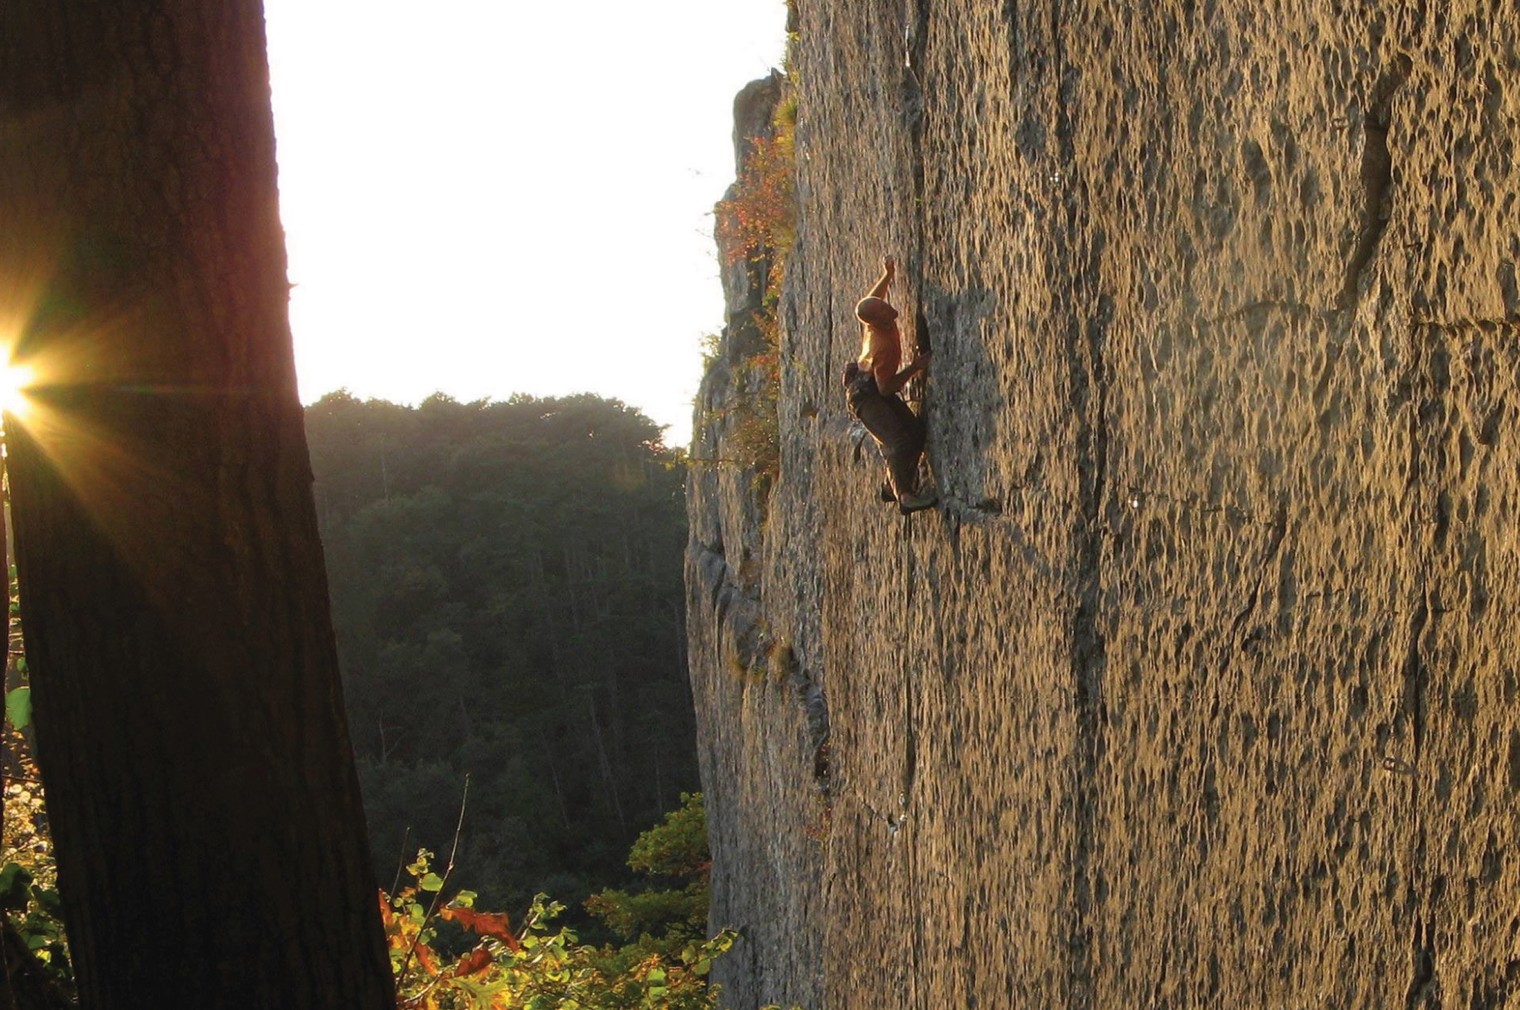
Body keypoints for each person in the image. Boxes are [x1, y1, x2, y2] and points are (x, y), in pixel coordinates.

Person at [844, 256, 936, 514]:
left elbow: (871, 301)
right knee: (898, 441)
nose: (889, 310)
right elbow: (886, 389)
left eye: (885, 306)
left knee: (917, 433)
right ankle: (905, 497)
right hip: (865, 395)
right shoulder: (881, 346)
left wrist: (887, 274)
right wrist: (915, 367)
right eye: (884, 311)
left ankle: (890, 485)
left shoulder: (873, 319)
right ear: (877, 321)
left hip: (874, 385)